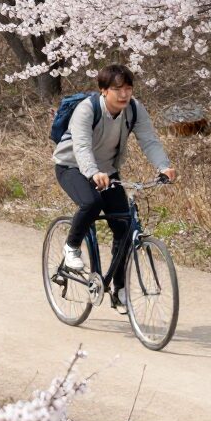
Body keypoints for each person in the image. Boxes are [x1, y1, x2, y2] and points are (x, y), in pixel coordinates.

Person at [52, 64, 176, 311]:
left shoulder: (134, 110)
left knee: (125, 226)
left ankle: (119, 290)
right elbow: (82, 146)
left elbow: (149, 140)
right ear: (103, 90)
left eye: (128, 88)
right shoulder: (86, 110)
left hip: (107, 172)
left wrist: (164, 166)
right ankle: (72, 247)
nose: (123, 94)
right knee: (92, 203)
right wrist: (92, 172)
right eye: (117, 89)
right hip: (72, 167)